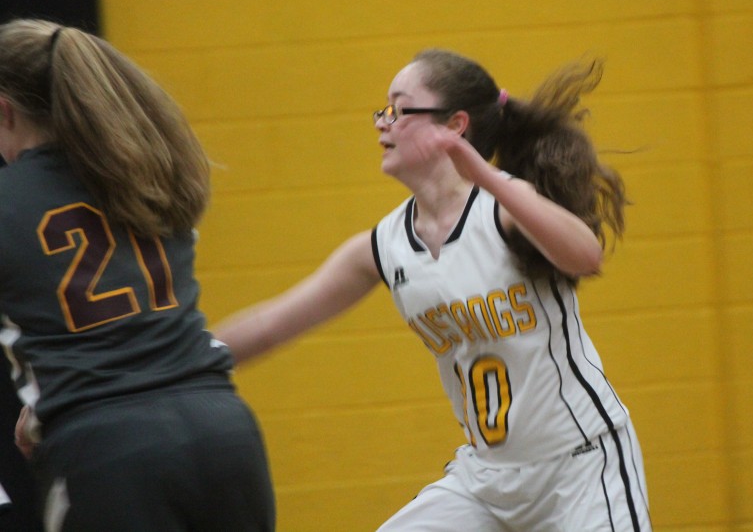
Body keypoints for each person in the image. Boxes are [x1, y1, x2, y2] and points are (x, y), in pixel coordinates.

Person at [215, 48, 653, 531]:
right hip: (486, 483)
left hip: (581, 466)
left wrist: (486, 176)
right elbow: (272, 325)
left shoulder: (503, 205)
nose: (382, 123)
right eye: (383, 110)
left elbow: (586, 256)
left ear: (455, 125)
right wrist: (181, 358)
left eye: (399, 109)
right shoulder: (383, 246)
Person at [0, 19, 275, 531]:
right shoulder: (147, 176)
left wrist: (53, 403)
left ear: (5, 110)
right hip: (225, 432)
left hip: (108, 454)